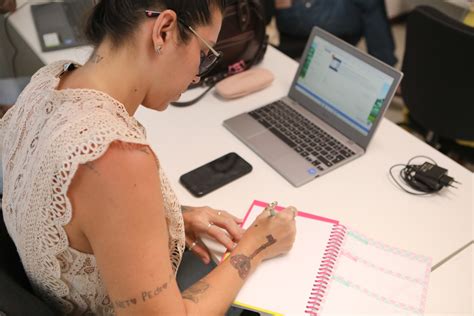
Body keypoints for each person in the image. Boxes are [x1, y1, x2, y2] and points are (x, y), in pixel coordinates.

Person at [0, 0, 297, 315]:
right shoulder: (116, 158)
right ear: (164, 31)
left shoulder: (46, 83)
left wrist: (165, 219)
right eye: (204, 54)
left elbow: (70, 213)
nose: (198, 75)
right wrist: (257, 245)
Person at [273, 0, 398, 66]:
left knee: (368, 6)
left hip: (305, 6)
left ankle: (385, 67)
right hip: (293, 12)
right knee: (367, 10)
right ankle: (385, 69)